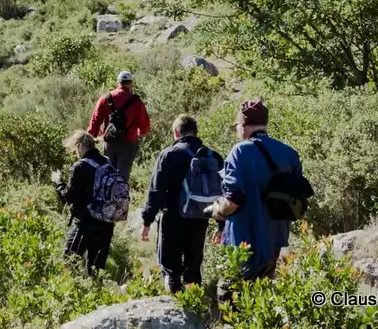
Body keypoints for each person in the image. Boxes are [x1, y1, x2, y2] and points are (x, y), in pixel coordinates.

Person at [205, 99, 303, 303]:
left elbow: (233, 200)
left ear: (244, 126)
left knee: (230, 299)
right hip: (275, 240)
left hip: (244, 242)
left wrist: (217, 210)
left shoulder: (239, 152)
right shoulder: (290, 153)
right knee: (262, 299)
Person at [139, 114, 224, 293]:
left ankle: (175, 304)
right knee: (193, 265)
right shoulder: (212, 156)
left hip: (173, 216)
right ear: (195, 132)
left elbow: (156, 190)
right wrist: (221, 225)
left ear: (176, 133)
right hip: (201, 216)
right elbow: (221, 192)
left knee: (170, 268)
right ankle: (195, 305)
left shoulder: (169, 154)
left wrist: (147, 220)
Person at [52, 131, 117, 277]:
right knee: (96, 272)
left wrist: (58, 183)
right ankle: (95, 296)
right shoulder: (107, 162)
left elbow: (68, 197)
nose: (76, 153)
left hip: (85, 225)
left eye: (75, 149)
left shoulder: (80, 166)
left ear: (80, 145)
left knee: (68, 264)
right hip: (106, 224)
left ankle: (70, 295)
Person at [87, 71, 151, 182]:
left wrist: (90, 137)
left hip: (109, 141)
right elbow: (144, 125)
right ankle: (120, 197)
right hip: (128, 142)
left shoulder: (105, 98)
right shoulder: (136, 102)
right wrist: (141, 133)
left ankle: (107, 195)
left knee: (108, 173)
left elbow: (95, 120)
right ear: (130, 83)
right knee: (122, 176)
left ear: (118, 82)